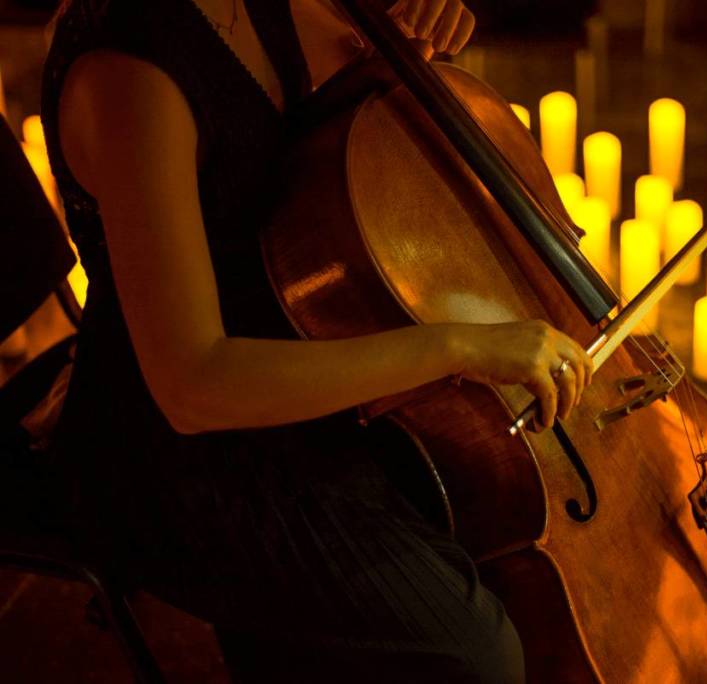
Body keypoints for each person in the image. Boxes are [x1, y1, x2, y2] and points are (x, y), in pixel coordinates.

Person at [42, 0, 593, 681]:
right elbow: (193, 385)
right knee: (475, 650)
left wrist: (408, 39)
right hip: (172, 452)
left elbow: (343, 139)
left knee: (483, 522)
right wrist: (461, 347)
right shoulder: (130, 73)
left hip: (301, 356)